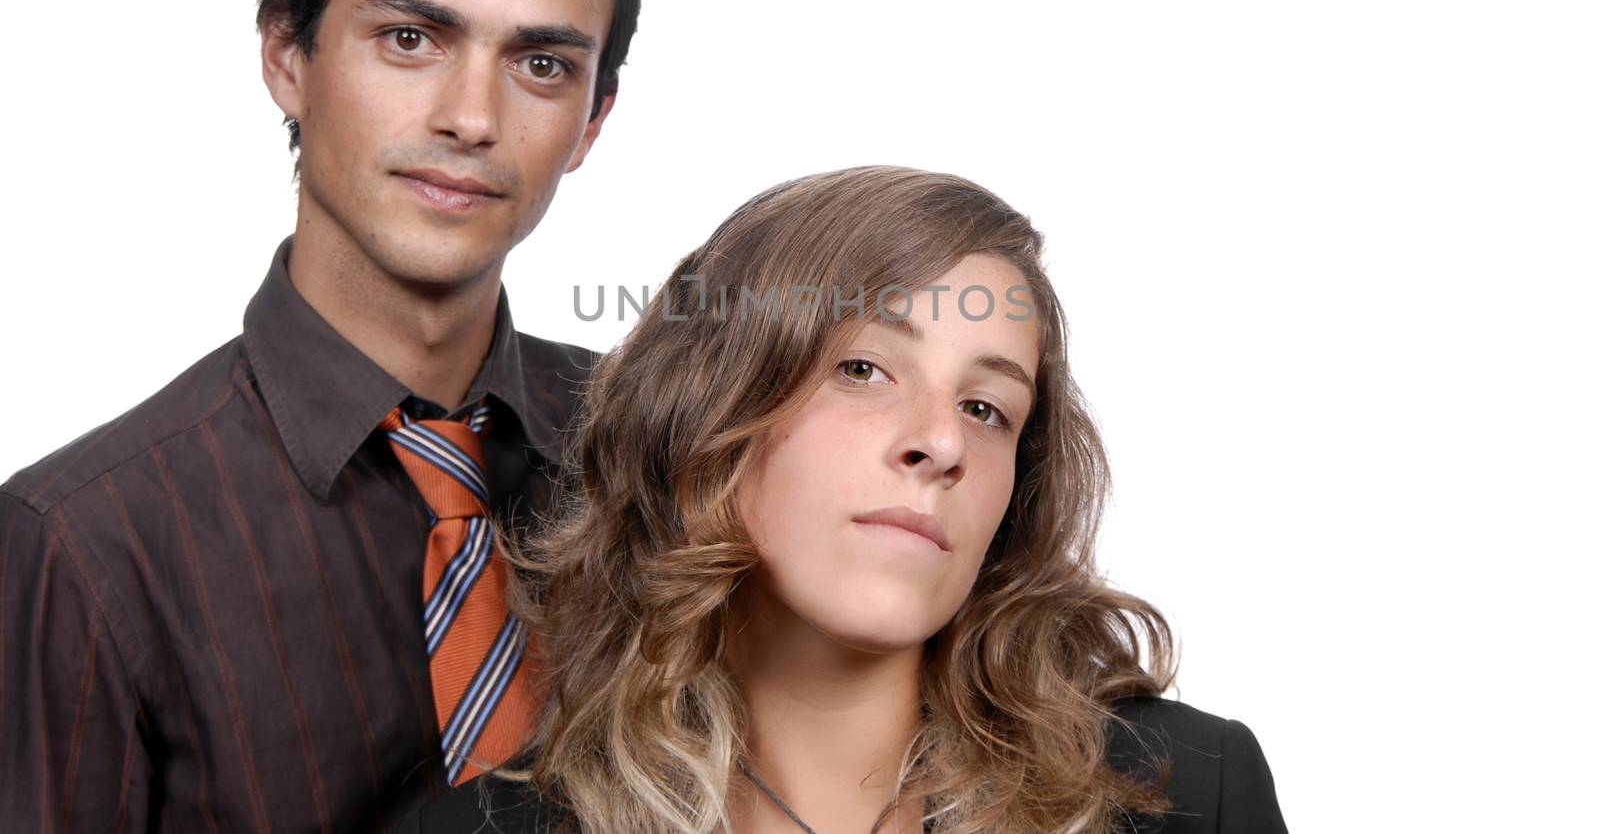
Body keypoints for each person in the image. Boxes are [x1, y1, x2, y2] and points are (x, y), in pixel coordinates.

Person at [0, 0, 641, 832]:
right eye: (410, 38)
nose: (471, 117)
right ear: (287, 55)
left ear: (591, 120)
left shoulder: (665, 447)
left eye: (539, 63)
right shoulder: (84, 544)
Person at [405, 166, 1288, 833]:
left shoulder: (1189, 794)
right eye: (863, 368)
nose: (941, 442)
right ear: (713, 411)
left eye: (986, 409)